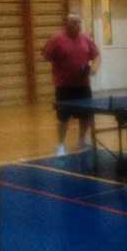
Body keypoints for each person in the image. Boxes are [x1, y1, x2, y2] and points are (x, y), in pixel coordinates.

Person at [42, 13, 101, 156]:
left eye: (79, 22)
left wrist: (94, 67)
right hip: (64, 86)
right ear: (66, 24)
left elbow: (97, 56)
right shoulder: (56, 39)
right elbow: (46, 56)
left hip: (83, 85)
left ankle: (81, 140)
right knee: (63, 117)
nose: (77, 25)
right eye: (74, 22)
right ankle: (60, 145)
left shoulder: (86, 39)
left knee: (86, 115)